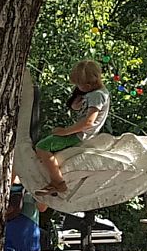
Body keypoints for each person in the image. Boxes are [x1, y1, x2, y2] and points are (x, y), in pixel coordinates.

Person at [32, 60, 111, 197]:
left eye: (78, 85)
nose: (77, 87)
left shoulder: (97, 96)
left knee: (42, 146)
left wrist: (65, 132)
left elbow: (88, 122)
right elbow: (77, 107)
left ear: (87, 85)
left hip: (80, 134)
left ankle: (58, 182)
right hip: (78, 131)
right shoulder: (93, 93)